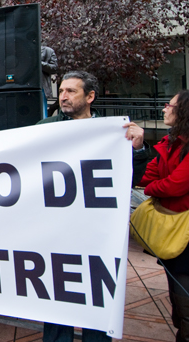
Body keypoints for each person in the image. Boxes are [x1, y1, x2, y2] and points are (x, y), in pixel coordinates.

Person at [36, 71, 148, 342]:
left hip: (98, 232)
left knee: (97, 296)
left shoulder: (115, 132)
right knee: (58, 296)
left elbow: (136, 178)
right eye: (61, 90)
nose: (63, 96)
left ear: (90, 97)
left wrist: (138, 148)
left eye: (71, 91)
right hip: (59, 229)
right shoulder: (45, 126)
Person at [138, 90, 189, 342]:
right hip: (175, 231)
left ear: (187, 110)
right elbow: (148, 177)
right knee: (178, 301)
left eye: (169, 105)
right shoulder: (170, 143)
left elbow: (173, 186)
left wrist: (155, 188)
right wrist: (158, 185)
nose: (163, 109)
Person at [41, 45, 59, 116]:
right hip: (22, 86)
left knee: (42, 114)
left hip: (41, 88)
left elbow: (54, 68)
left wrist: (39, 63)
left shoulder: (47, 51)